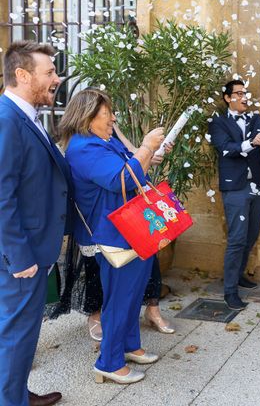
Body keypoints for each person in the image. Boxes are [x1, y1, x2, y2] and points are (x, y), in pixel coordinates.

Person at [59, 89, 165, 385]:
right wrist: (145, 146)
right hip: (114, 234)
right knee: (120, 298)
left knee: (132, 293)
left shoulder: (103, 141)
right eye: (108, 113)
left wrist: (146, 154)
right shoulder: (83, 148)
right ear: (88, 116)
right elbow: (123, 179)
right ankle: (109, 362)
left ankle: (129, 346)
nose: (114, 119)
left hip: (132, 228)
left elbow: (135, 167)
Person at [0, 41, 72, 406]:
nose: (56, 79)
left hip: (33, 248)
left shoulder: (25, 116)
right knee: (15, 335)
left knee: (24, 334)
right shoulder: (6, 119)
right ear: (22, 75)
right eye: (49, 72)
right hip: (21, 256)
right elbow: (1, 195)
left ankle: (17, 394)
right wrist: (20, 256)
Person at [209, 79, 260, 310]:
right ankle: (230, 291)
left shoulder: (255, 118)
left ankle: (239, 275)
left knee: (251, 236)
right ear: (227, 98)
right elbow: (225, 149)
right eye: (238, 93)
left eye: (245, 93)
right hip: (235, 187)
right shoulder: (218, 122)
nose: (244, 97)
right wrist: (251, 142)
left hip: (258, 184)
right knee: (237, 239)